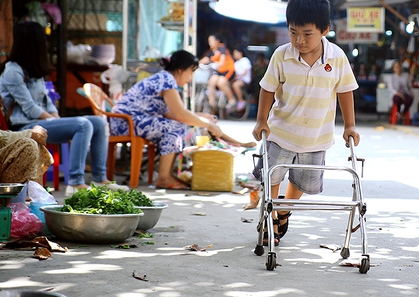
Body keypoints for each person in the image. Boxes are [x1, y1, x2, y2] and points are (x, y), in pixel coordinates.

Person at [251, 0, 360, 245]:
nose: (299, 40)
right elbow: (267, 87)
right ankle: (270, 217)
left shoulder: (337, 58)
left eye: (307, 34)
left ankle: (284, 210)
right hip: (280, 131)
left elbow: (345, 91)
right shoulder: (281, 55)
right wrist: (261, 120)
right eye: (293, 32)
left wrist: (350, 126)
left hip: (316, 136)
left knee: (303, 182)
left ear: (324, 30)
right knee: (272, 177)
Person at [0, 22, 126, 196]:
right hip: (25, 128)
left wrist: (56, 118)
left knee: (97, 122)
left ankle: (100, 179)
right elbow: (29, 107)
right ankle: (75, 183)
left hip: (42, 122)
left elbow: (48, 101)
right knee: (82, 124)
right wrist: (54, 121)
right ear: (34, 44)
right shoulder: (12, 71)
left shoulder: (33, 69)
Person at [110, 50, 256, 190]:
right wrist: (206, 124)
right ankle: (163, 178)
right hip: (124, 122)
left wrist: (200, 117)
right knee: (174, 127)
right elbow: (179, 115)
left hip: (130, 121)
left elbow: (172, 114)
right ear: (181, 70)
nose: (190, 78)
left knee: (178, 124)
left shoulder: (164, 78)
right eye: (191, 72)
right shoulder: (166, 80)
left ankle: (167, 175)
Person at [199, 34, 237, 113]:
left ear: (217, 41)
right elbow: (206, 59)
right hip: (218, 71)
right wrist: (197, 63)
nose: (210, 43)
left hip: (228, 70)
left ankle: (232, 100)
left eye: (212, 40)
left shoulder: (222, 48)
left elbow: (222, 61)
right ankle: (212, 101)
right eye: (209, 41)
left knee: (221, 82)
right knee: (211, 81)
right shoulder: (211, 51)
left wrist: (215, 63)